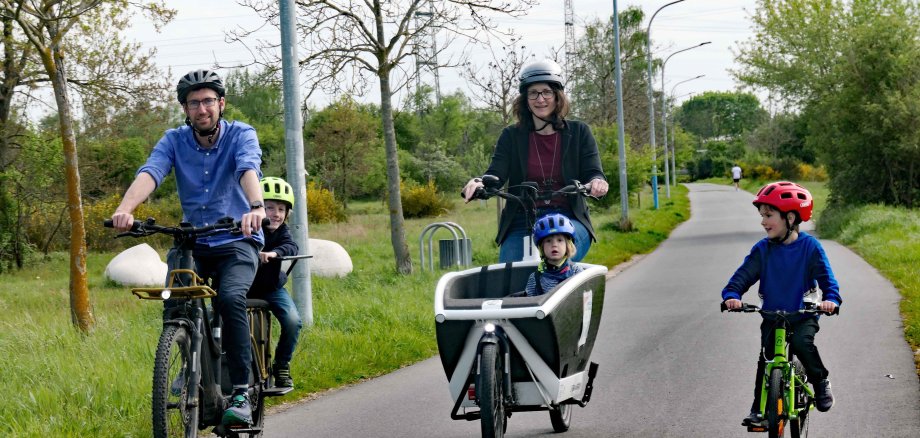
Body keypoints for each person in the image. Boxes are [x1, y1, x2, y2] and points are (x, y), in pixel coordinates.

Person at [110, 69, 265, 427]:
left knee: (229, 298)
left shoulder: (241, 134)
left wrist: (255, 207)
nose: (202, 108)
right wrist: (125, 209)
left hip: (236, 241)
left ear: (221, 104)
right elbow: (152, 171)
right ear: (185, 109)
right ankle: (185, 359)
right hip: (194, 240)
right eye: (194, 103)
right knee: (174, 299)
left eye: (209, 101)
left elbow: (247, 169)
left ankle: (241, 391)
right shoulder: (174, 140)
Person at [461, 59, 609, 263]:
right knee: (510, 275)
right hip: (523, 219)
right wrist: (480, 182)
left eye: (546, 92)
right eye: (533, 93)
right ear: (525, 99)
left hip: (567, 217)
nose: (540, 99)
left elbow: (593, 171)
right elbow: (496, 172)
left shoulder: (579, 132)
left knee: (556, 261)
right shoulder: (512, 135)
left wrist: (597, 182)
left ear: (557, 96)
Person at [721, 181, 842, 427]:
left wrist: (830, 299)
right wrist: (732, 295)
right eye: (762, 216)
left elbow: (827, 279)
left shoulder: (810, 247)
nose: (763, 222)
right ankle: (759, 409)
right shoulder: (762, 250)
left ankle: (820, 381)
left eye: (769, 215)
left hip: (803, 313)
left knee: (801, 343)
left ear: (789, 217)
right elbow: (742, 276)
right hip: (772, 315)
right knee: (766, 359)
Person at [247, 177, 303, 388]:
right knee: (211, 318)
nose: (276, 214)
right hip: (243, 287)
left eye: (281, 209)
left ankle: (281, 365)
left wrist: (274, 252)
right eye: (269, 207)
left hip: (271, 288)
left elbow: (292, 247)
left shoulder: (282, 232)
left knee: (292, 321)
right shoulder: (248, 227)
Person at [524, 213, 584, 297]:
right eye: (548, 241)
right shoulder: (535, 278)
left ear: (568, 245)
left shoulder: (576, 272)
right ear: (542, 248)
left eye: (559, 240)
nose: (554, 244)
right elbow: (529, 305)